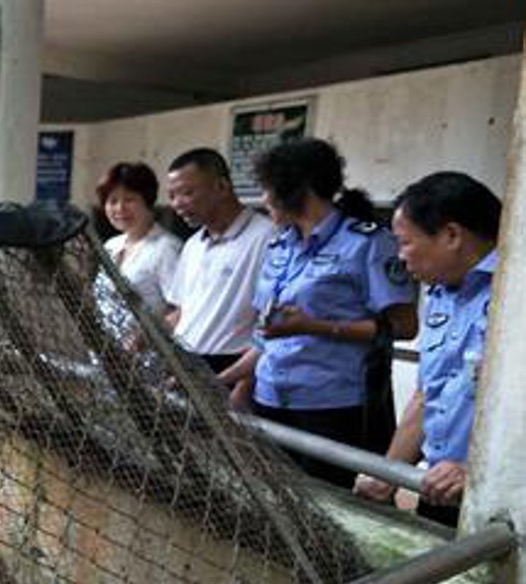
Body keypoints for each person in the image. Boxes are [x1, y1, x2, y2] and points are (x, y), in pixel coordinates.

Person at [217, 138, 418, 487]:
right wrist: (225, 380)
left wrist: (315, 326)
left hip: (333, 405)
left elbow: (404, 326)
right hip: (271, 398)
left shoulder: (367, 243)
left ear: (299, 188)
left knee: (328, 505)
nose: (264, 200)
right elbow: (269, 337)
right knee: (273, 499)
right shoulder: (280, 245)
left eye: (268, 190)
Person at [354, 171, 501, 527]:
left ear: (451, 235)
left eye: (406, 243)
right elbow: (426, 397)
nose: (401, 257)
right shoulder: (440, 293)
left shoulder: (513, 294)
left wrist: (478, 472)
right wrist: (387, 473)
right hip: (439, 489)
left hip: (500, 499)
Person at [164, 148, 275, 393]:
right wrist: (145, 335)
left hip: (234, 367)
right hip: (184, 362)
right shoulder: (193, 245)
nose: (177, 204)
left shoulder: (266, 237)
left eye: (187, 192)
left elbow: (269, 323)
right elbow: (182, 311)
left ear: (222, 187)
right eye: (172, 196)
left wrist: (243, 387)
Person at [96, 162, 182, 314]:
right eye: (113, 201)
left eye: (129, 199)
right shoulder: (111, 245)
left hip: (153, 337)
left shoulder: (166, 248)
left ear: (147, 201)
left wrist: (143, 337)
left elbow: (178, 307)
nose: (120, 208)